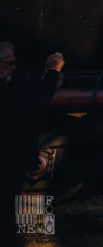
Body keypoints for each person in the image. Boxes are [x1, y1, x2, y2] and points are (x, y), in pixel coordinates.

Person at [0, 43, 64, 241]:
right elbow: (33, 101)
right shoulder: (6, 91)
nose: (13, 67)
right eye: (9, 63)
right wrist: (53, 72)